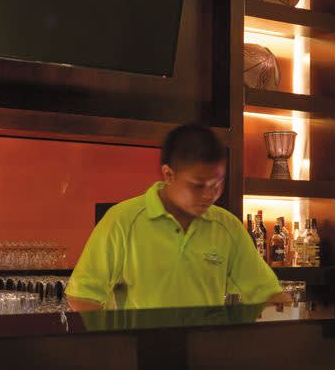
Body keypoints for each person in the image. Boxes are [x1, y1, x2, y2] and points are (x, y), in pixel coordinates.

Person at [67, 124, 284, 312]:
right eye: (198, 185)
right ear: (169, 174)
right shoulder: (122, 220)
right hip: (141, 347)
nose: (210, 195)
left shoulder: (227, 226)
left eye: (217, 184)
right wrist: (117, 340)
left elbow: (268, 294)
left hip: (206, 346)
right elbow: (82, 296)